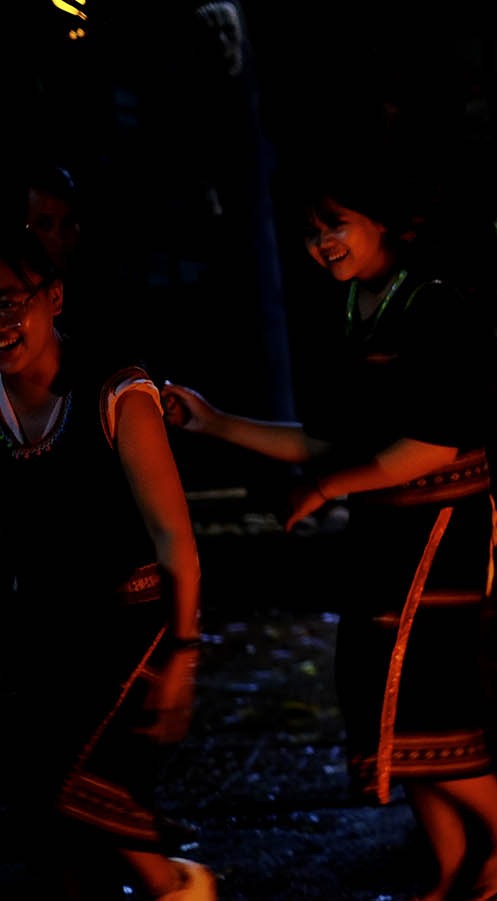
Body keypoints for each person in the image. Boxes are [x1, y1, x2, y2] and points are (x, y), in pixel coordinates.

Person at [158, 153, 497, 901]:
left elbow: (432, 446)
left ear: (386, 223)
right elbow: (330, 441)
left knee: (422, 695)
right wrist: (214, 422)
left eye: (335, 225)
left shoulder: (438, 306)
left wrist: (324, 487)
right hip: (384, 536)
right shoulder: (349, 310)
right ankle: (447, 872)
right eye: (312, 232)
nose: (322, 244)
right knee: (385, 701)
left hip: (443, 532)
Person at [0, 226, 213, 898]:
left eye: (10, 303)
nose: (0, 325)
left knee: (68, 784)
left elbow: (173, 536)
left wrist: (182, 654)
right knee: (54, 833)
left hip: (131, 628)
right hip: (48, 630)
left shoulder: (117, 391)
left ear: (53, 297)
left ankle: (179, 886)